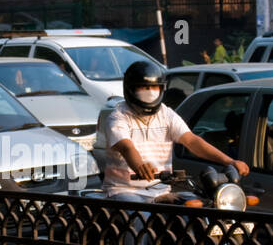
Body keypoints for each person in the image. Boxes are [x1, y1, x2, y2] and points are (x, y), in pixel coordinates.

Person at [103, 60, 249, 200]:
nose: (150, 93)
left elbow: (192, 141)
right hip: (125, 191)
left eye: (154, 88)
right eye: (144, 88)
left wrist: (230, 161)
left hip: (160, 191)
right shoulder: (118, 118)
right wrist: (140, 166)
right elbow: (127, 148)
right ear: (130, 89)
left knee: (199, 208)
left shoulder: (166, 114)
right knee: (142, 219)